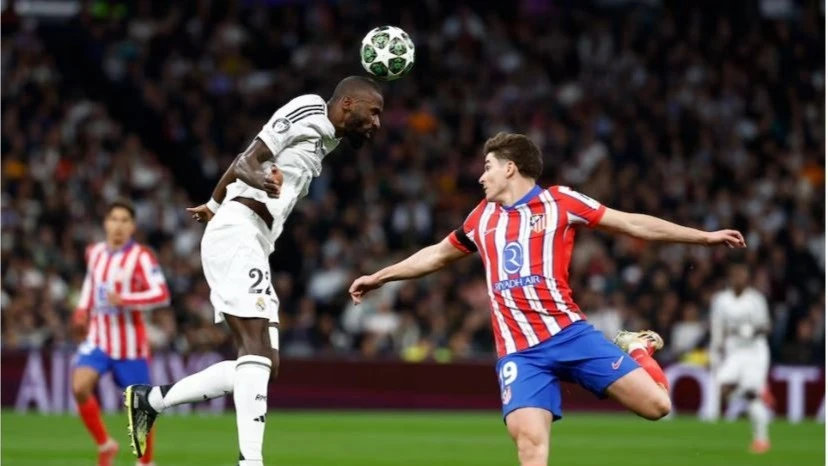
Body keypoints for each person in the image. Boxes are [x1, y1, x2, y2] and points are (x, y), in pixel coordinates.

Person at [348, 132, 746, 466]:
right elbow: (436, 254)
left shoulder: (561, 202)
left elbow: (631, 223)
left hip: (569, 334)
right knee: (530, 449)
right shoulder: (480, 218)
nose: (481, 176)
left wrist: (703, 236)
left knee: (658, 407)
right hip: (520, 354)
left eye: (487, 166)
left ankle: (638, 348)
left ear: (509, 168)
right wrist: (381, 277)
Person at [124, 76, 384, 466]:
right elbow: (249, 159)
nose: (377, 123)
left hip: (254, 241)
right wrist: (258, 179)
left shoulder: (329, 137)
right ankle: (251, 461)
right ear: (347, 103)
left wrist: (212, 202)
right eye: (374, 112)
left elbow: (244, 159)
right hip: (238, 233)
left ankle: (152, 399)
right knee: (256, 354)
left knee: (266, 366)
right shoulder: (309, 110)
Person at [71, 199, 170, 466]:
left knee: (140, 408)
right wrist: (81, 310)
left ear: (132, 227)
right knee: (79, 386)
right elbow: (90, 284)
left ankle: (145, 462)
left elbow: (161, 294)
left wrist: (126, 299)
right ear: (105, 223)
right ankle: (106, 444)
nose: (118, 225)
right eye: (113, 219)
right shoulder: (95, 252)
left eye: (124, 220)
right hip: (99, 339)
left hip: (130, 345)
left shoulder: (141, 257)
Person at [710, 260, 773, 453]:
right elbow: (717, 327)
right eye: (735, 274)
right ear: (731, 277)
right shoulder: (721, 299)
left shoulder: (756, 299)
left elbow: (766, 326)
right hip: (734, 351)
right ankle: (759, 395)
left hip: (755, 352)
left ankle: (762, 439)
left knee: (750, 394)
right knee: (721, 386)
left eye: (742, 274)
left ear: (747, 278)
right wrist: (715, 350)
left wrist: (751, 331)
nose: (739, 278)